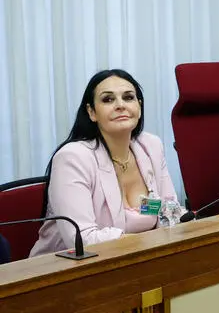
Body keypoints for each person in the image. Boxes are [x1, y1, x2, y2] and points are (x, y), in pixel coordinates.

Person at [30, 69, 179, 257]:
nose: (120, 105)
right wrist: (147, 244)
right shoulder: (73, 158)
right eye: (108, 99)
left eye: (128, 97)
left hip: (139, 263)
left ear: (139, 108)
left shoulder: (150, 146)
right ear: (91, 112)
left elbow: (169, 211)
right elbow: (82, 240)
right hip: (65, 274)